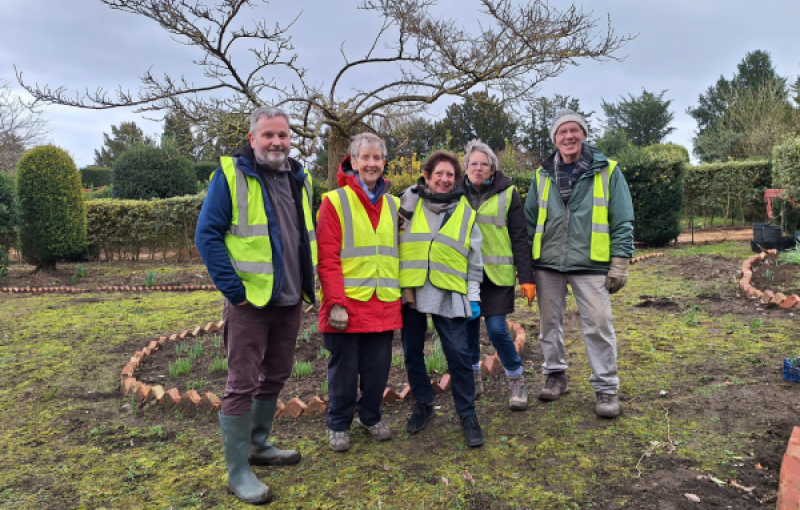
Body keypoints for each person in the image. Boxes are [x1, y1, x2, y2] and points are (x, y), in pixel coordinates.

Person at [195, 107, 317, 504]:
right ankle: (237, 473)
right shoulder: (229, 177)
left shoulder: (301, 178)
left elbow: (300, 237)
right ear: (253, 139)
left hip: (289, 298)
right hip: (249, 301)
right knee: (241, 384)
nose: (276, 142)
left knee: (277, 374)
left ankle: (259, 445)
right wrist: (234, 290)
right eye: (268, 135)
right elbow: (207, 235)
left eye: (282, 135)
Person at [523, 108, 634, 419]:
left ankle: (606, 388)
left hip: (591, 264)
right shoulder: (541, 174)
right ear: (555, 138)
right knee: (549, 325)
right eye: (562, 132)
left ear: (584, 134)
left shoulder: (608, 171)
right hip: (548, 263)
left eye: (574, 130)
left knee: (599, 325)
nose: (568, 136)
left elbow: (622, 220)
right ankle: (555, 375)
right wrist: (528, 267)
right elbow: (529, 222)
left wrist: (620, 262)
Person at [316, 133, 402, 452]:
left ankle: (370, 417)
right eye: (364, 157)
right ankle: (338, 424)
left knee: (378, 368)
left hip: (383, 303)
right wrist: (336, 302)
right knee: (344, 370)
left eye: (377, 158)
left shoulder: (393, 205)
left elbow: (398, 253)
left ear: (383, 162)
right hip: (347, 306)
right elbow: (327, 257)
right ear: (352, 162)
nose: (371, 163)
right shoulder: (334, 201)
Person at [398, 150, 485, 447]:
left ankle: (467, 414)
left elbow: (475, 260)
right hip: (412, 289)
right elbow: (394, 243)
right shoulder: (407, 207)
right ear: (427, 177)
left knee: (458, 354)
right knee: (412, 352)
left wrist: (473, 297)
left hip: (448, 290)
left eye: (450, 175)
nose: (445, 180)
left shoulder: (465, 212)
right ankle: (422, 404)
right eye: (439, 174)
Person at [461, 139, 536, 411]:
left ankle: (516, 379)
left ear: (493, 168)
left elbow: (519, 237)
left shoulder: (509, 193)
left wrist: (526, 277)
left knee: (496, 329)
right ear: (466, 167)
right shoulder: (455, 192)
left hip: (497, 275)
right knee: (468, 329)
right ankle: (473, 378)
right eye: (473, 163)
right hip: (466, 275)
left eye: (484, 164)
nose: (478, 168)